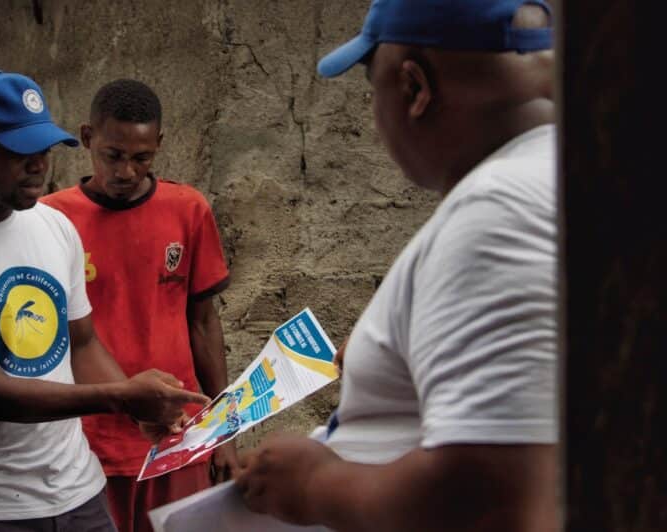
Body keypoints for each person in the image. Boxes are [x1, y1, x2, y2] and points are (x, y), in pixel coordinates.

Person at [235, 1, 559, 530]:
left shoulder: (498, 211)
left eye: (372, 88)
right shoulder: (567, 174)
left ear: (414, 88)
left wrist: (312, 484)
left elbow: (493, 498)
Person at [0, 71, 208, 531]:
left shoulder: (54, 227)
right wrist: (123, 396)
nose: (38, 165)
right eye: (19, 151)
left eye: (45, 149)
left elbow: (82, 342)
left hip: (81, 495)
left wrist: (139, 413)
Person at [41, 79, 234, 532]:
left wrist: (224, 431)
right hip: (87, 446)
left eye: (141, 158)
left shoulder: (188, 210)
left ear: (159, 144)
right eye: (112, 155)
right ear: (87, 138)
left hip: (179, 437)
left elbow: (204, 325)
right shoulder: (50, 219)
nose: (126, 171)